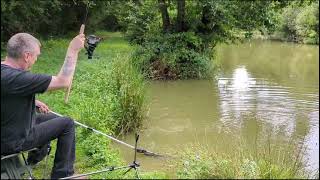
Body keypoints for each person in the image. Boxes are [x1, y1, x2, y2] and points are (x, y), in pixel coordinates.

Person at [1, 31, 85, 179]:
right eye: (36, 56)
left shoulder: (5, 71)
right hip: (12, 141)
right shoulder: (18, 78)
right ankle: (63, 175)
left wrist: (34, 102)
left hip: (8, 128)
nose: (35, 60)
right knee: (67, 124)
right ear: (27, 56)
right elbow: (63, 81)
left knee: (49, 118)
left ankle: (33, 159)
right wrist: (73, 50)